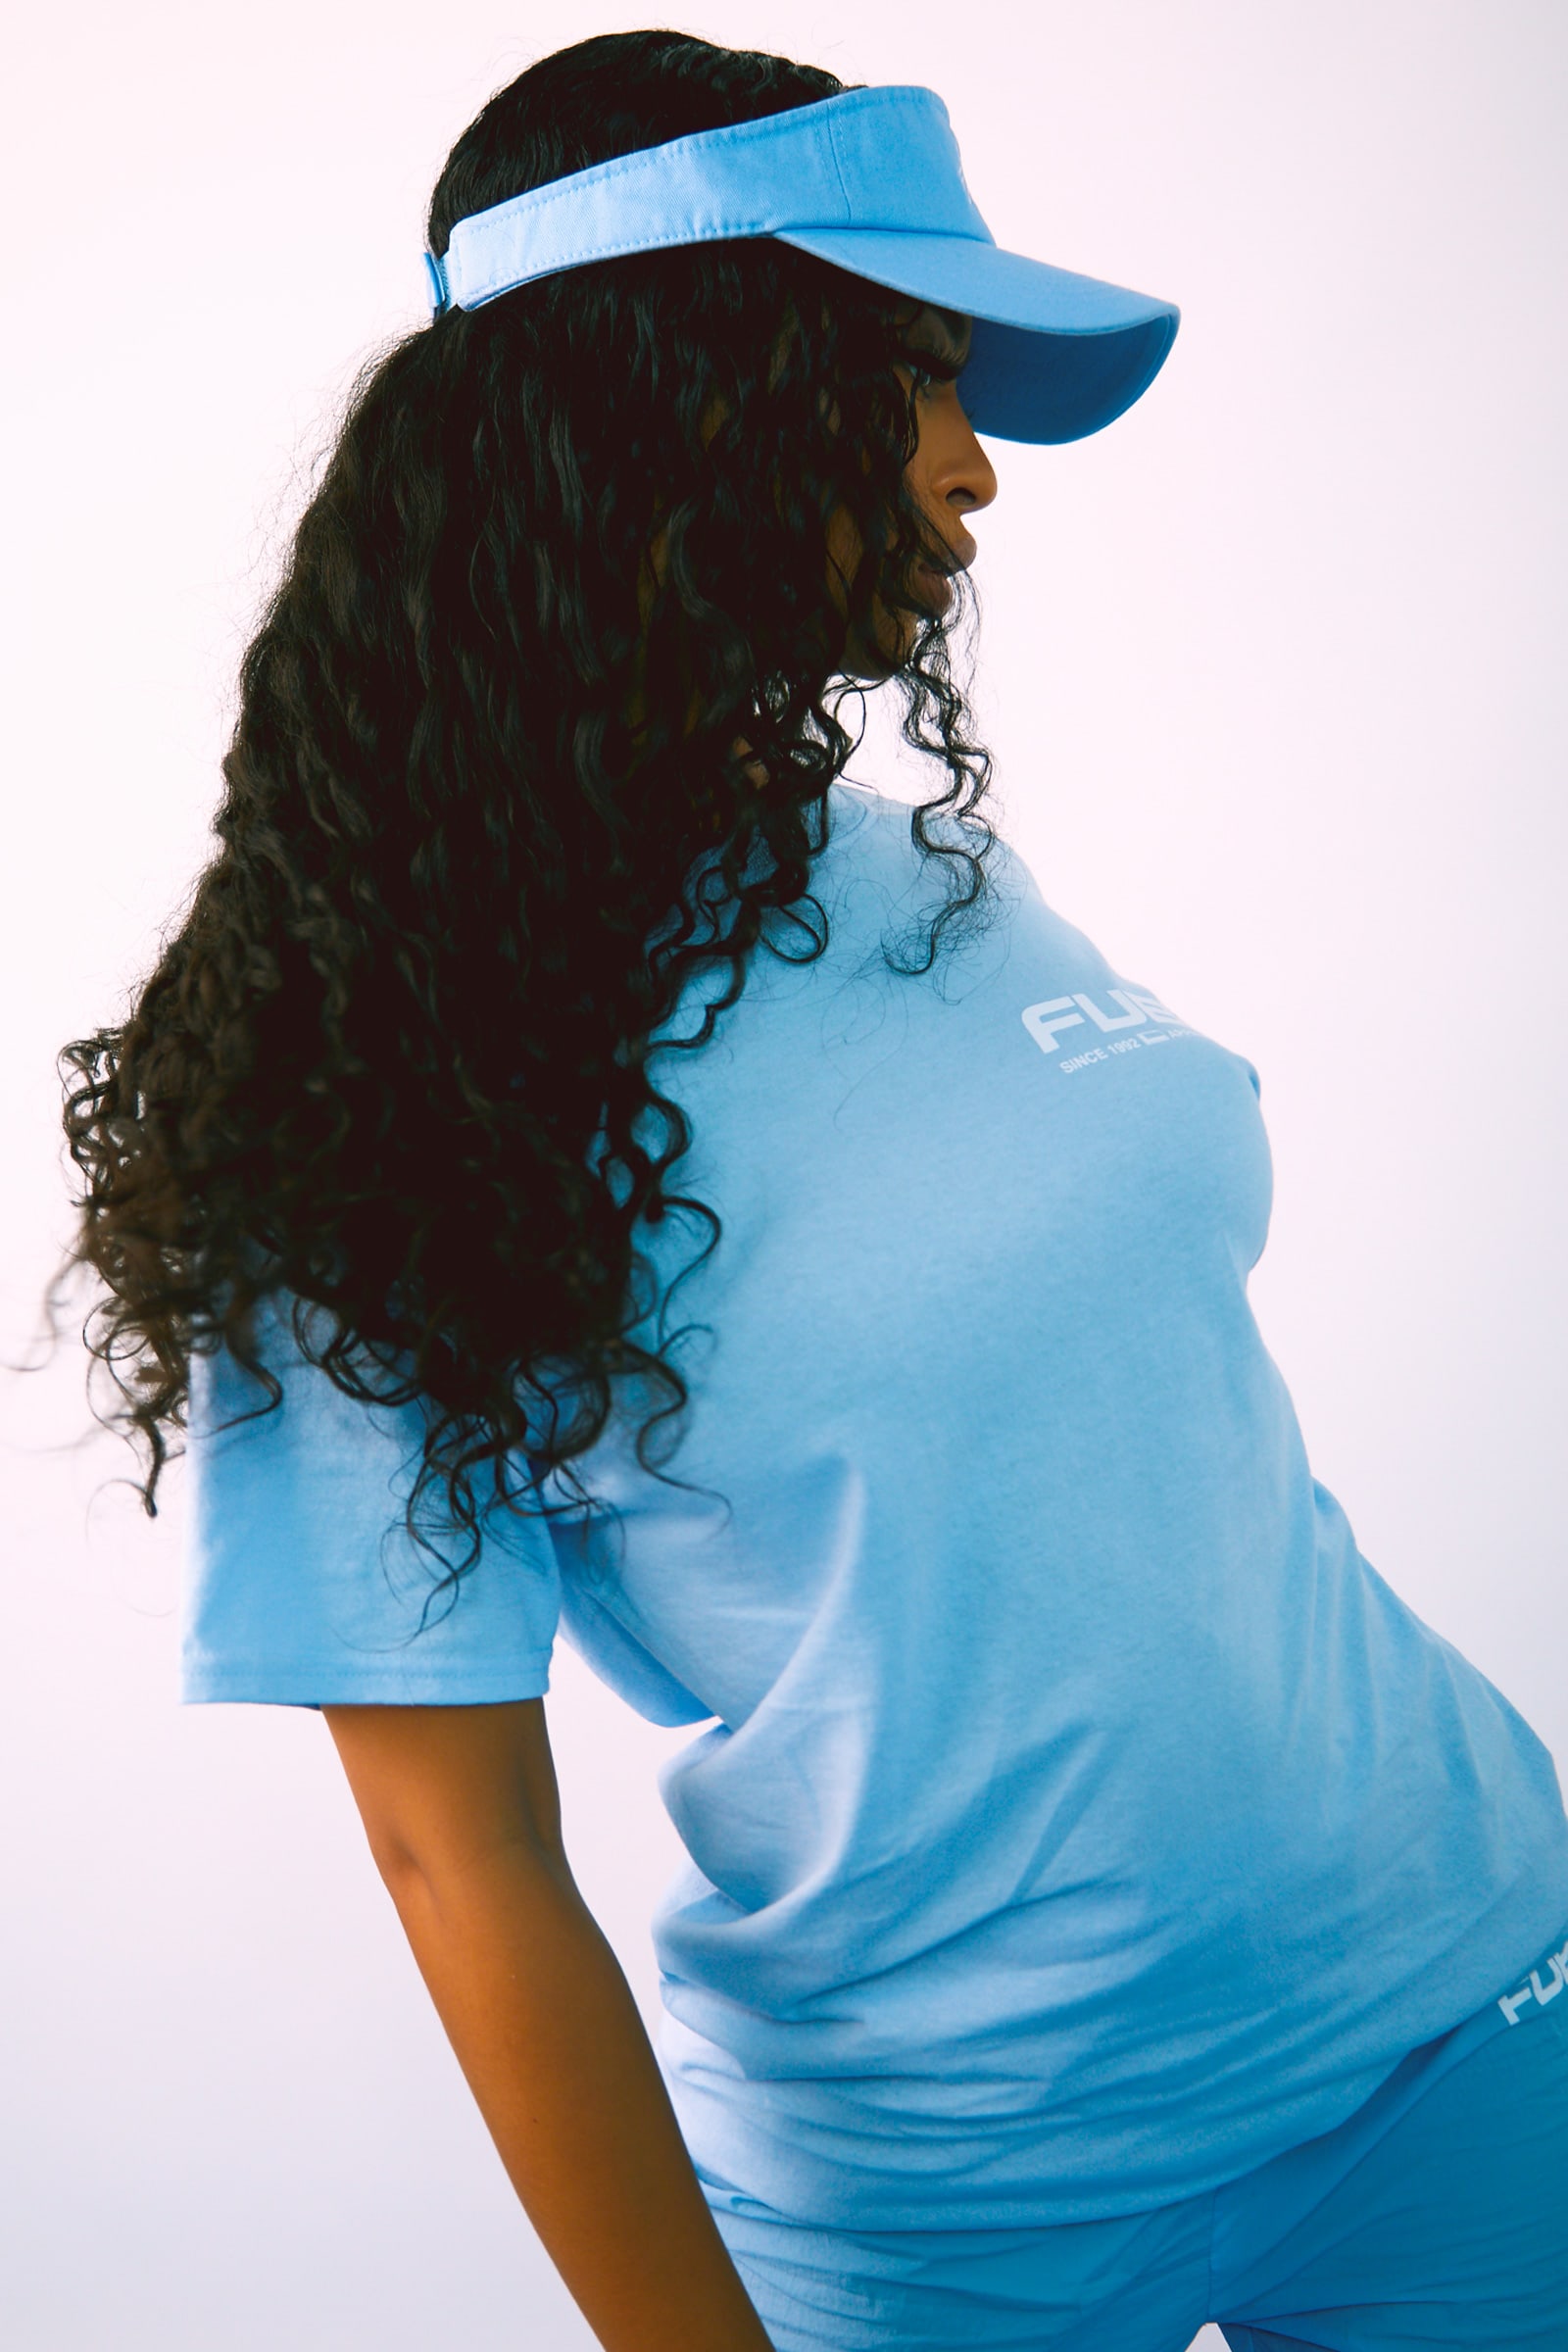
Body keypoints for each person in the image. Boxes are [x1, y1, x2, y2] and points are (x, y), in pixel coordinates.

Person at [58, 29, 1568, 2352]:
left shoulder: (919, 874)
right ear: (678, 399)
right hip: (949, 2196)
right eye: (910, 377)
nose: (972, 468)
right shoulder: (357, 1107)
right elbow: (457, 1854)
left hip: (1460, 2017)